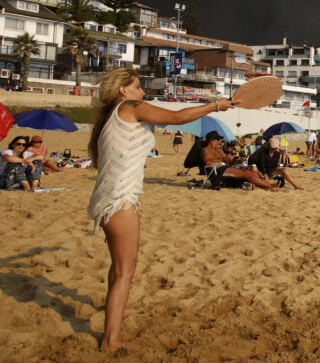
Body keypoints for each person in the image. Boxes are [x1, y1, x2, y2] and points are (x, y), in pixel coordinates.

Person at [86, 68, 240, 351]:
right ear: (124, 90)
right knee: (125, 271)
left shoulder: (111, 115)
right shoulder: (130, 106)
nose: (142, 92)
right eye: (137, 87)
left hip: (110, 199)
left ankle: (118, 308)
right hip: (120, 201)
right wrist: (217, 105)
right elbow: (178, 117)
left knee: (118, 266)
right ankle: (111, 340)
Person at [200, 132, 277, 190]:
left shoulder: (218, 149)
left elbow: (226, 159)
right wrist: (223, 159)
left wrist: (236, 160)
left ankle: (264, 186)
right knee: (247, 173)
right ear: (211, 140)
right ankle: (268, 186)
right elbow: (207, 162)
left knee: (252, 171)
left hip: (225, 167)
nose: (219, 141)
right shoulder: (205, 150)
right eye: (218, 140)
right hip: (217, 170)